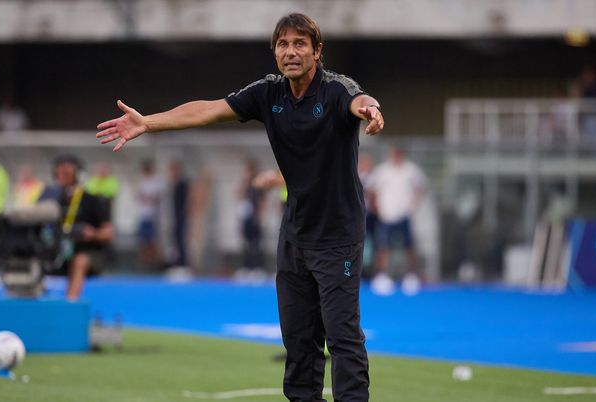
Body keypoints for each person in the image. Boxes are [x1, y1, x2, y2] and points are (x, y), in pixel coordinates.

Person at [96, 13, 383, 402]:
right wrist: (148, 122)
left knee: (342, 337)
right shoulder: (269, 93)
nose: (291, 51)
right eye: (283, 44)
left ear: (317, 51)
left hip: (337, 237)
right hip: (295, 237)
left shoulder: (335, 91)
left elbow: (359, 99)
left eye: (300, 44)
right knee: (298, 341)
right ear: (275, 52)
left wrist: (370, 109)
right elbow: (209, 109)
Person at [39, 155, 113, 301]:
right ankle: (36, 303)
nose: (62, 177)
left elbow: (109, 233)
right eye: (59, 173)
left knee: (79, 261)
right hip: (55, 249)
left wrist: (93, 234)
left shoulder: (91, 199)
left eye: (67, 173)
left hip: (86, 252)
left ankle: (70, 304)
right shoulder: (48, 198)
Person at [368, 146, 427, 296]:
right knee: (383, 247)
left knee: (409, 247)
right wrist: (376, 207)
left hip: (403, 215)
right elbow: (371, 189)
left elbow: (421, 187)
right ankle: (381, 276)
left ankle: (411, 277)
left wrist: (414, 204)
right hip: (386, 215)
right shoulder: (382, 171)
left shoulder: (411, 170)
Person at [235, 158, 266, 281]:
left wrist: (259, 215)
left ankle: (258, 268)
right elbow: (238, 195)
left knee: (256, 244)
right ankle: (246, 268)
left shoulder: (258, 185)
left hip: (255, 218)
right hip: (246, 218)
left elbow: (263, 201)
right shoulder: (245, 185)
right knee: (246, 244)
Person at [135, 160, 164, 270]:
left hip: (152, 215)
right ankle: (144, 263)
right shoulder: (142, 181)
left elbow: (156, 197)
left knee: (152, 240)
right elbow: (139, 196)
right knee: (143, 240)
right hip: (143, 215)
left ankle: (154, 262)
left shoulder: (156, 181)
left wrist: (147, 197)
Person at [168, 160, 192, 273]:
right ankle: (178, 264)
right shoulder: (174, 184)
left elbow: (189, 199)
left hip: (181, 216)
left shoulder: (182, 184)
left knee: (181, 240)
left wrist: (186, 211)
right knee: (176, 240)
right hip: (175, 215)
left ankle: (184, 265)